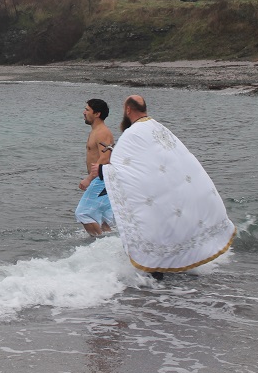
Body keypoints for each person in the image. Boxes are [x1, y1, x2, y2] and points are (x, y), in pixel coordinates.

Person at [91, 95, 236, 277]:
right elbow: (170, 162)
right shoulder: (158, 127)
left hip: (153, 195)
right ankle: (176, 267)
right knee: (167, 227)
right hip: (166, 192)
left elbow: (125, 170)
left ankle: (155, 275)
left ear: (128, 110)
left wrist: (102, 170)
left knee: (154, 230)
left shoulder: (132, 133)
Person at [75, 99, 116, 237]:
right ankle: (110, 246)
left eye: (87, 110)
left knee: (83, 214)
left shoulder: (102, 132)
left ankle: (98, 244)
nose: (84, 112)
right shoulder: (96, 131)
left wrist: (89, 178)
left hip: (101, 178)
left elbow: (105, 158)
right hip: (99, 179)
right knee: (103, 220)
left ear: (97, 114)